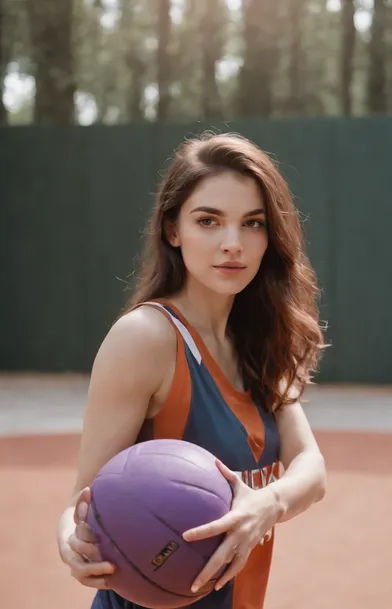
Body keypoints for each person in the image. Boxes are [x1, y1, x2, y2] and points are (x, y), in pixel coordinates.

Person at [56, 132, 327, 609]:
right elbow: (86, 493)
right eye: (209, 221)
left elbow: (312, 469)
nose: (232, 243)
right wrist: (71, 539)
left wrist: (269, 503)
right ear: (172, 230)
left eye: (253, 223)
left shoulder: (262, 339)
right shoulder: (147, 337)